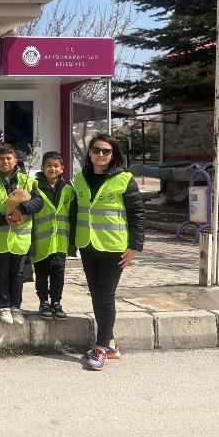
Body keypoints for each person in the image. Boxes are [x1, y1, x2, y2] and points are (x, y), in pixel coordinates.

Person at [74, 134, 144, 371]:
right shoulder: (80, 178)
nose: (100, 155)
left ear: (113, 155)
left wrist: (134, 246)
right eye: (96, 150)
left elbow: (137, 214)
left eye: (106, 151)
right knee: (96, 294)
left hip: (114, 247)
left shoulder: (124, 179)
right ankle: (111, 343)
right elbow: (77, 211)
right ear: (89, 152)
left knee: (105, 295)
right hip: (88, 245)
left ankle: (101, 347)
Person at [0, 144, 43, 325]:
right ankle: (4, 306)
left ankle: (16, 307)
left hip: (20, 238)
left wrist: (22, 208)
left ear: (16, 161)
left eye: (9, 158)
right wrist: (2, 219)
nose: (5, 162)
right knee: (1, 274)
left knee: (17, 274)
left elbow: (38, 203)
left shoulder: (27, 181)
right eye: (1, 159)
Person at [32, 152, 76, 320]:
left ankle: (56, 302)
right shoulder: (33, 187)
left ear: (62, 169)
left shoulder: (68, 190)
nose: (52, 168)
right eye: (49, 165)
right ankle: (43, 302)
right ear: (42, 168)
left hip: (61, 242)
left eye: (56, 166)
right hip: (41, 242)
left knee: (58, 273)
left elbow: (72, 217)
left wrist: (72, 243)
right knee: (41, 274)